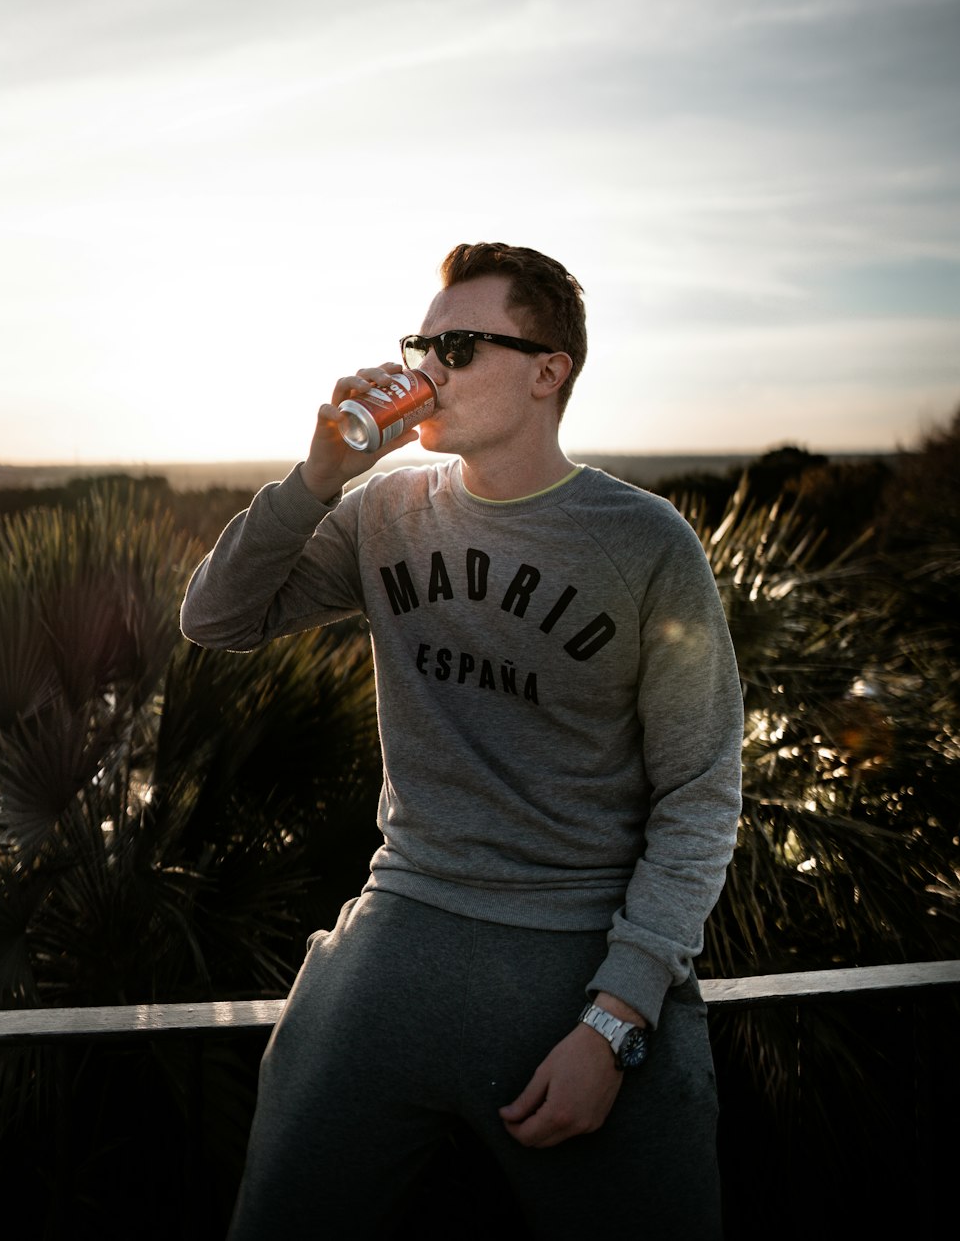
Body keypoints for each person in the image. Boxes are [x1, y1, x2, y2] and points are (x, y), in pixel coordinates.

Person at [180, 243, 744, 1239]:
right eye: (420, 343)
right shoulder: (385, 512)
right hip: (395, 941)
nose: (427, 368)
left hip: (578, 975)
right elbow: (216, 617)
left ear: (545, 370)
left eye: (457, 345)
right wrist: (315, 476)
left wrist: (617, 1020)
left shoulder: (646, 541)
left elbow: (698, 789)